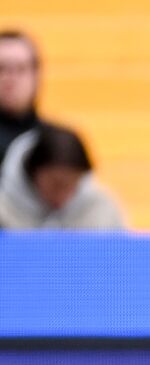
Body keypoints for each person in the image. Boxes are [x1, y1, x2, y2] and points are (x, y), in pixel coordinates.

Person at [0, 124, 124, 230]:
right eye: (56, 184)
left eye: (72, 185)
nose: (63, 194)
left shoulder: (101, 211)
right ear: (33, 172)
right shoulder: (4, 212)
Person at [0, 30, 43, 160]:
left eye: (20, 68)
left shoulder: (54, 144)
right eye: (1, 68)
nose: (10, 79)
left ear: (36, 76)